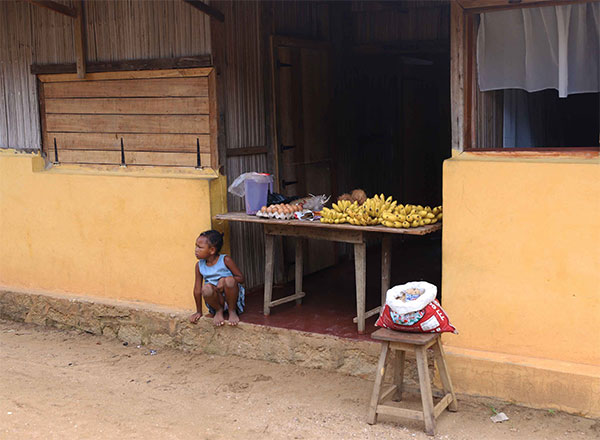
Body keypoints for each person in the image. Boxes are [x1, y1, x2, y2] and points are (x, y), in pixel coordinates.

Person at [189, 230, 245, 326]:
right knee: (206, 288)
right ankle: (218, 311)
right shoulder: (199, 266)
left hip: (232, 298)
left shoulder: (225, 260)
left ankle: (232, 311)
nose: (196, 250)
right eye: (196, 246)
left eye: (200, 247)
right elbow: (197, 290)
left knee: (229, 280)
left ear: (212, 250)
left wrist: (223, 280)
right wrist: (198, 311)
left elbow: (241, 278)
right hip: (216, 300)